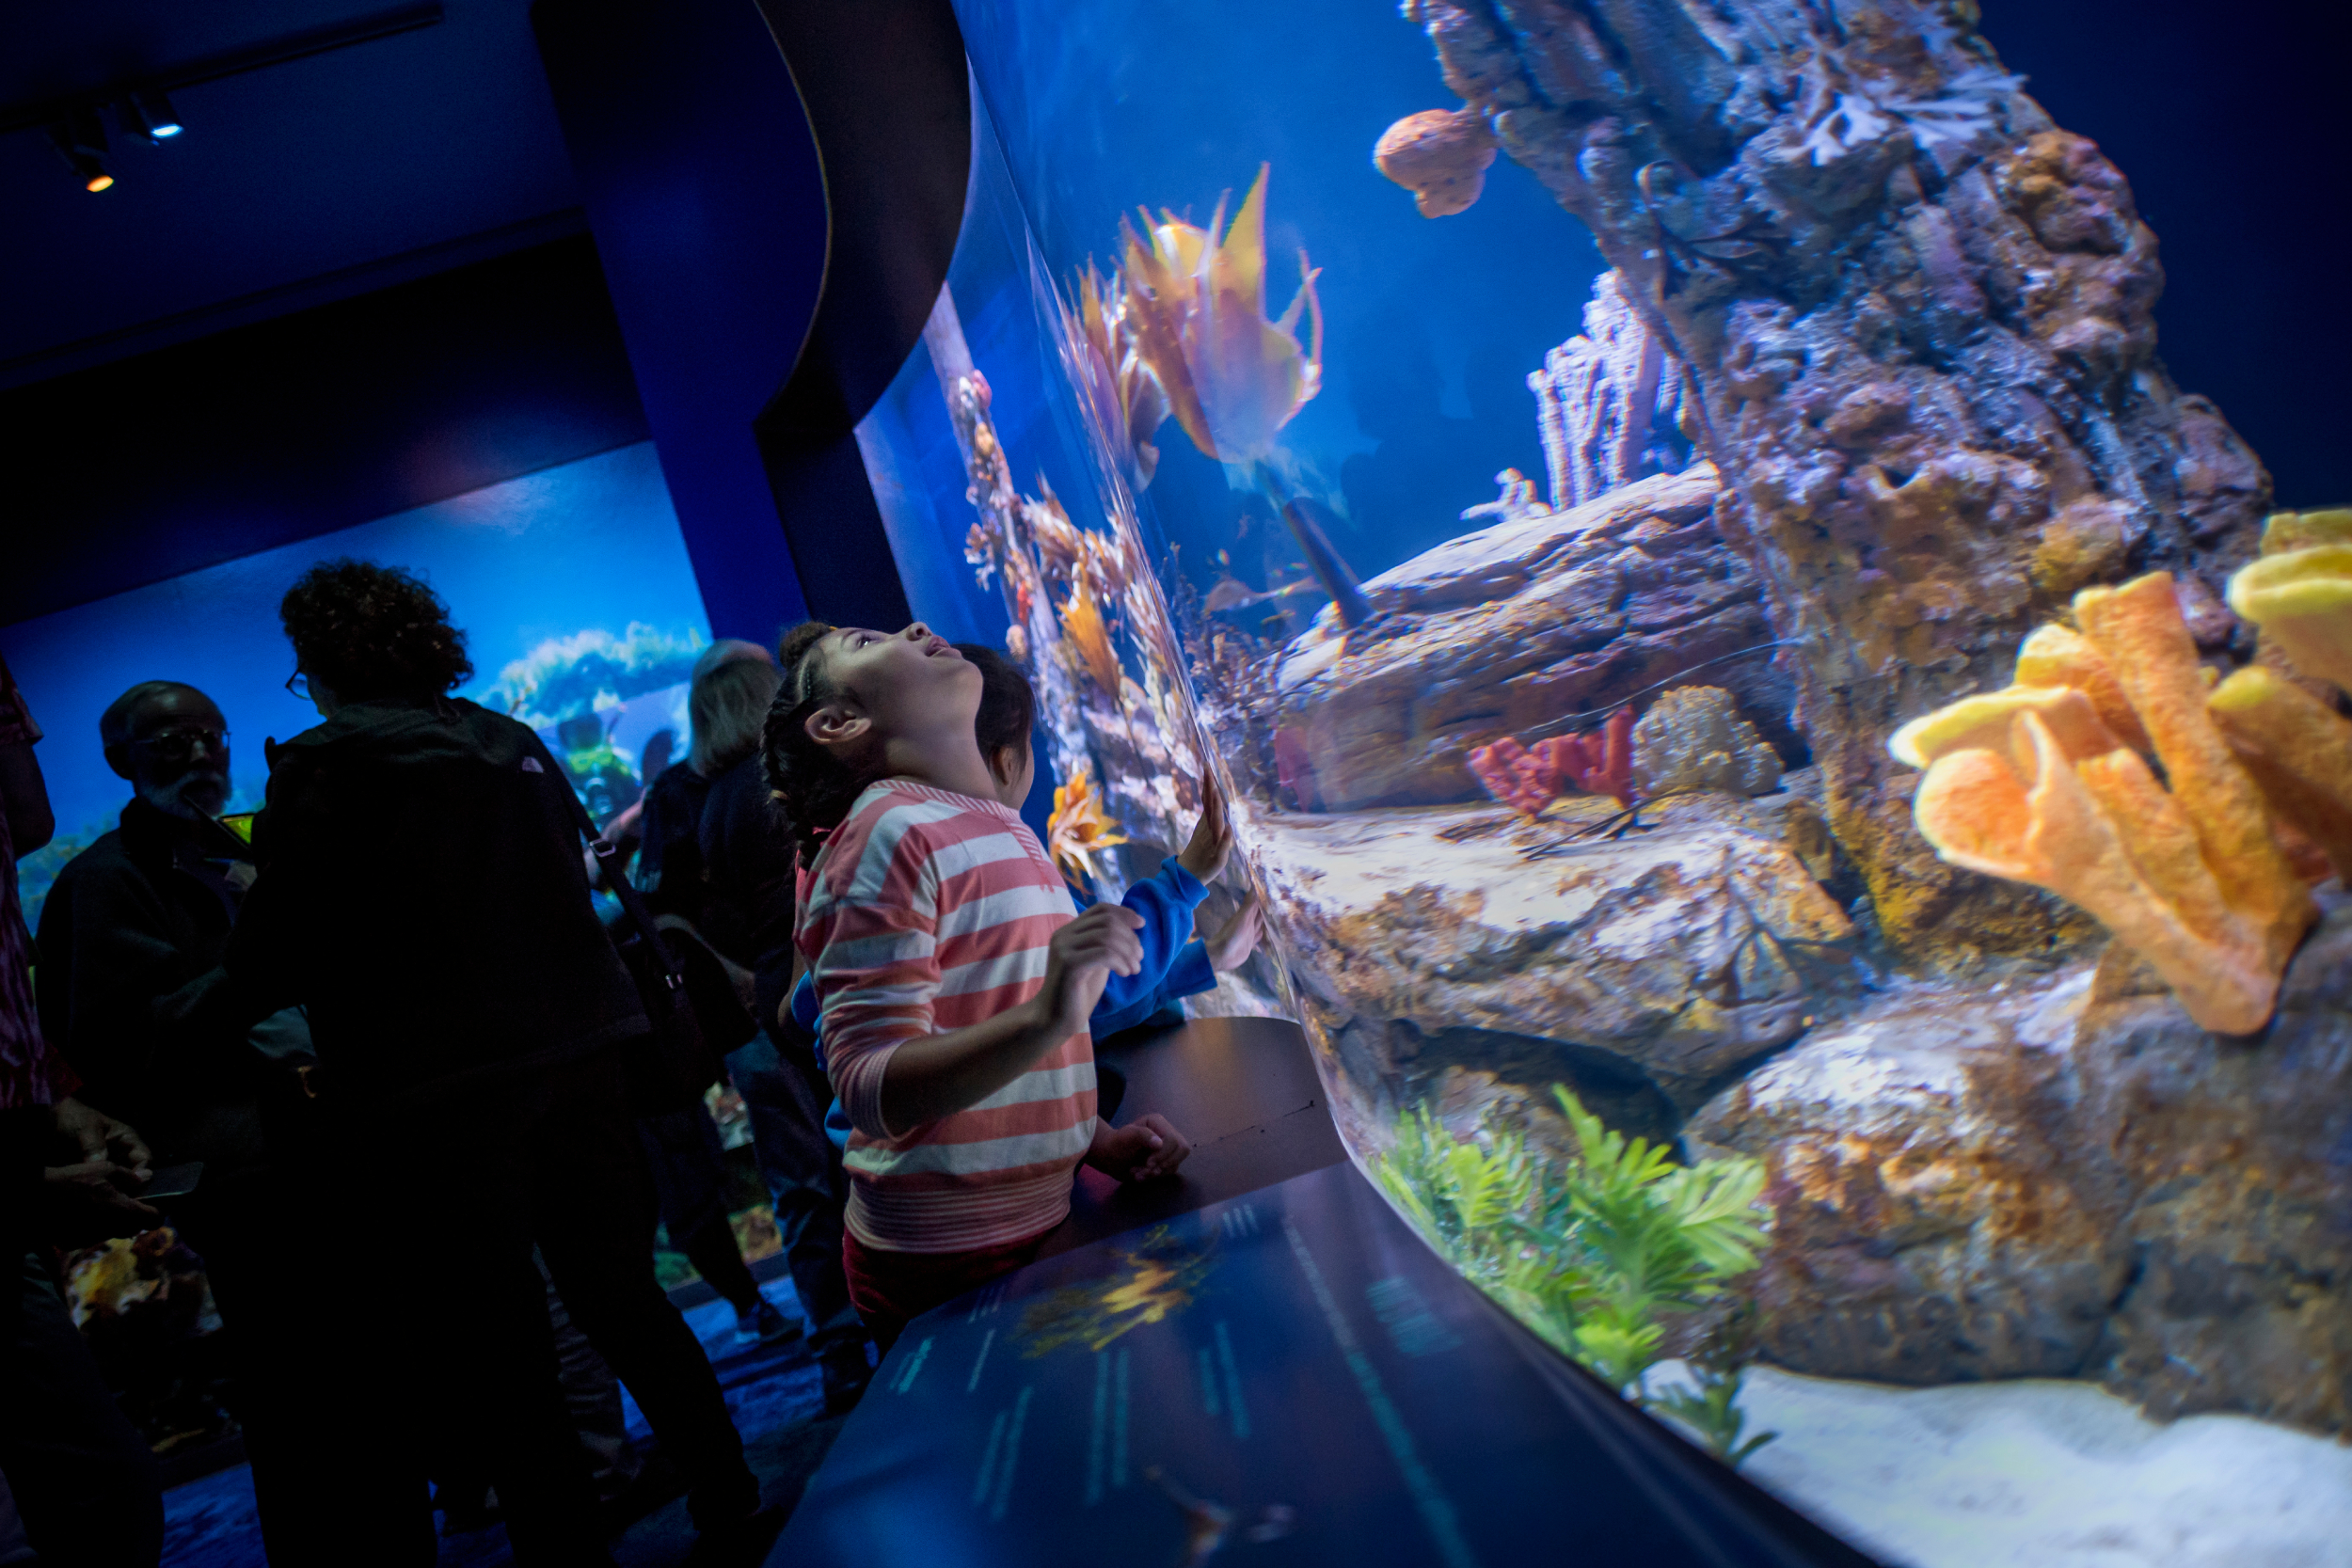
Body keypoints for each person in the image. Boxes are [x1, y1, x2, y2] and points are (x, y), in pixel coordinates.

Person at [198, 560, 767, 1564]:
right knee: (623, 1293)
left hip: (439, 1096)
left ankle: (566, 1549)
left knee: (502, 1341)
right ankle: (730, 1491)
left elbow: (281, 945)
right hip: (581, 1061)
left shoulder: (323, 768)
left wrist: (216, 971)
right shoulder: (509, 742)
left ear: (322, 663)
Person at [767, 621, 1194, 1352]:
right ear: (839, 723)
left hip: (1030, 1223)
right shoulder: (885, 833)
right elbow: (868, 1084)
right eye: (867, 643)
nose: (913, 627)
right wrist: (1046, 1015)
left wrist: (1093, 1141)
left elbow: (994, 1036)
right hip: (941, 1260)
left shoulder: (997, 826)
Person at [32, 678, 369, 1563]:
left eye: (209, 734)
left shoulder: (242, 844)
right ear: (120, 760)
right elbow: (121, 1048)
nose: (198, 753)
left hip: (326, 1144)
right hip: (245, 1179)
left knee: (363, 1394)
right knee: (297, 1405)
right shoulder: (103, 882)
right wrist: (252, 974)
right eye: (169, 740)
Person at [786, 643, 1266, 1133]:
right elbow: (1087, 996)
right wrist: (1185, 880)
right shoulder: (972, 864)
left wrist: (1094, 1140)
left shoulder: (928, 862)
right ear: (1004, 763)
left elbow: (1044, 1018)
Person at [643, 640, 871, 1405]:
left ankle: (842, 1344)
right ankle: (860, 1331)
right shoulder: (751, 780)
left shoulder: (698, 794)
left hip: (763, 1007)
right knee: (844, 1159)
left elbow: (661, 914)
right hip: (790, 998)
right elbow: (666, 913)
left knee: (804, 1178)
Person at [0, 654, 167, 1568]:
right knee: (100, 1493)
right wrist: (33, 1183)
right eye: (6, 713)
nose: (30, 732)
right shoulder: (99, 879)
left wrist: (59, 1097)